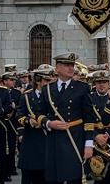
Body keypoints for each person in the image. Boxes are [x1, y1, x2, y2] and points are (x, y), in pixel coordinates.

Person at [37, 53, 96, 184]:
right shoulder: (47, 89)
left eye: (72, 65)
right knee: (53, 177)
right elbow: (39, 114)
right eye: (67, 65)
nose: (71, 68)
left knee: (74, 177)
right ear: (57, 68)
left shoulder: (83, 88)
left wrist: (89, 145)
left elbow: (89, 119)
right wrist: (49, 123)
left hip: (75, 138)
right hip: (54, 140)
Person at [17, 67, 51, 184]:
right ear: (38, 81)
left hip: (47, 138)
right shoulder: (26, 97)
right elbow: (19, 115)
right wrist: (28, 121)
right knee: (28, 176)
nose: (49, 83)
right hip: (30, 140)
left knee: (46, 176)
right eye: (46, 81)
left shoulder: (52, 97)